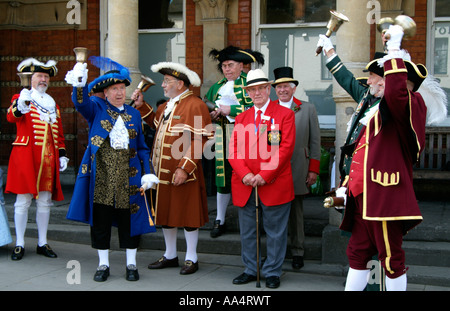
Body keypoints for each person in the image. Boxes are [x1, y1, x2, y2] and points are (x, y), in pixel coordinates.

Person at [317, 25, 429, 291]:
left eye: (373, 76)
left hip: (384, 198)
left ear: (389, 79)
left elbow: (396, 96)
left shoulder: (410, 104)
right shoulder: (372, 106)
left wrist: (393, 50)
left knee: (391, 259)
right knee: (356, 254)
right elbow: (362, 151)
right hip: (361, 197)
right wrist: (347, 184)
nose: (367, 82)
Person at [65, 57, 158, 282]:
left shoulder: (134, 114)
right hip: (103, 174)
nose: (118, 93)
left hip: (130, 174)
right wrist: (79, 84)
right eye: (113, 89)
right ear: (105, 92)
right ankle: (103, 264)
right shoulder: (96, 108)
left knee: (130, 221)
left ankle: (131, 264)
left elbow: (143, 148)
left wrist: (147, 171)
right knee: (101, 221)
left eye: (121, 88)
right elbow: (80, 103)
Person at [228, 69, 295, 288]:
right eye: (252, 89)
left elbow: (284, 150)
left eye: (261, 88)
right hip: (245, 183)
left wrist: (263, 175)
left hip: (273, 183)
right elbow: (234, 150)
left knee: (276, 232)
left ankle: (273, 271)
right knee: (248, 231)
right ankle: (251, 268)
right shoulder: (241, 117)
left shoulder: (284, 114)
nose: (257, 93)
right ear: (247, 92)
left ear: (268, 89)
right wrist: (246, 174)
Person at [146, 62, 213, 275]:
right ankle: (170, 255)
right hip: (162, 171)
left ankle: (192, 258)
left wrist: (184, 168)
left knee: (188, 214)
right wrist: (140, 106)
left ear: (180, 83)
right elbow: (155, 126)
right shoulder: (166, 106)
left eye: (167, 81)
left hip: (184, 171)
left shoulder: (195, 104)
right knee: (166, 212)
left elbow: (201, 139)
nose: (163, 85)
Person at [6, 58, 68, 260]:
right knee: (22, 201)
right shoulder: (22, 97)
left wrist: (62, 153)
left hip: (48, 160)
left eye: (46, 76)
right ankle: (20, 243)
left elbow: (58, 133)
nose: (43, 80)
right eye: (39, 76)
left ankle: (43, 242)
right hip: (26, 158)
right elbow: (11, 116)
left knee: (44, 201)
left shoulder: (52, 104)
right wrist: (21, 103)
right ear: (30, 79)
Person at [205, 46, 264, 238]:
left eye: (230, 65)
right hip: (222, 134)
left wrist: (231, 111)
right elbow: (209, 107)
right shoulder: (216, 87)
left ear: (241, 66)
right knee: (222, 177)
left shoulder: (252, 83)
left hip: (248, 135)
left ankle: (253, 218)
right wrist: (214, 114)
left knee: (250, 174)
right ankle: (220, 219)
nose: (227, 69)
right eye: (224, 66)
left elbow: (257, 107)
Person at [272, 66, 321, 269]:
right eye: (279, 87)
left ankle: (298, 251)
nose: (282, 90)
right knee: (274, 211)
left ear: (293, 89)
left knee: (295, 211)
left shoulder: (307, 108)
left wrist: (313, 170)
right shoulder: (269, 108)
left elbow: (315, 141)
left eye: (286, 86)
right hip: (273, 168)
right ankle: (277, 252)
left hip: (298, 166)